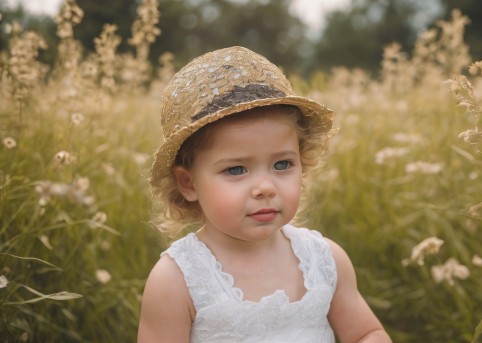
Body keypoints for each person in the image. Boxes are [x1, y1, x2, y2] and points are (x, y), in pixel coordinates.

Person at [138, 46, 391, 343]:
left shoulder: (324, 260)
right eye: (236, 170)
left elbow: (367, 333)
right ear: (188, 184)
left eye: (282, 164)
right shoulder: (176, 280)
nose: (266, 187)